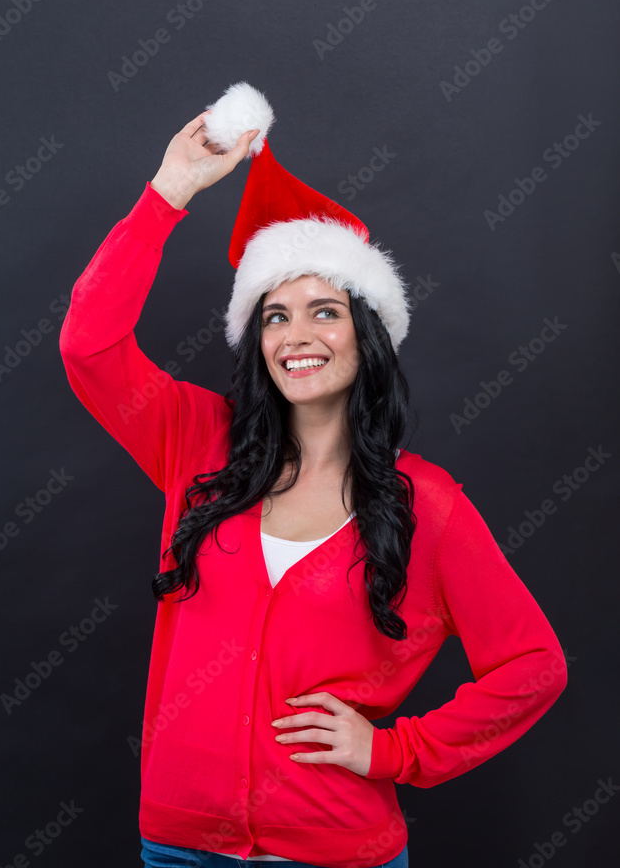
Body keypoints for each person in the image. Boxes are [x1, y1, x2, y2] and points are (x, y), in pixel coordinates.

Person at [59, 83, 567, 868]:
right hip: (179, 846)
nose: (296, 334)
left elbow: (532, 665)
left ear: (367, 335)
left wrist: (397, 752)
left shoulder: (422, 503)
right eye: (275, 314)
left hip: (334, 849)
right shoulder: (196, 441)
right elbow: (88, 345)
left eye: (324, 311)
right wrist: (170, 191)